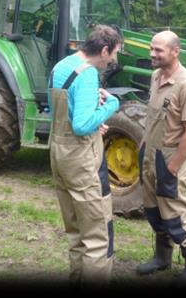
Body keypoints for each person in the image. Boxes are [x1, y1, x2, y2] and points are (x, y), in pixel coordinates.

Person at [47, 24, 122, 287]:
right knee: (97, 237)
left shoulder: (62, 65)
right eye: (114, 54)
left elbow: (60, 109)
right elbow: (80, 125)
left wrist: (93, 120)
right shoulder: (89, 74)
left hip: (58, 153)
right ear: (104, 50)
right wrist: (112, 104)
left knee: (76, 231)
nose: (113, 61)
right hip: (80, 160)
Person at [136, 30, 186, 283]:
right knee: (153, 209)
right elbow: (153, 116)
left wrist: (173, 167)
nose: (152, 54)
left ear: (175, 52)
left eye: (158, 50)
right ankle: (162, 257)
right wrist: (143, 146)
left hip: (170, 159)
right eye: (151, 49)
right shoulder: (155, 76)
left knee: (174, 211)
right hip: (149, 155)